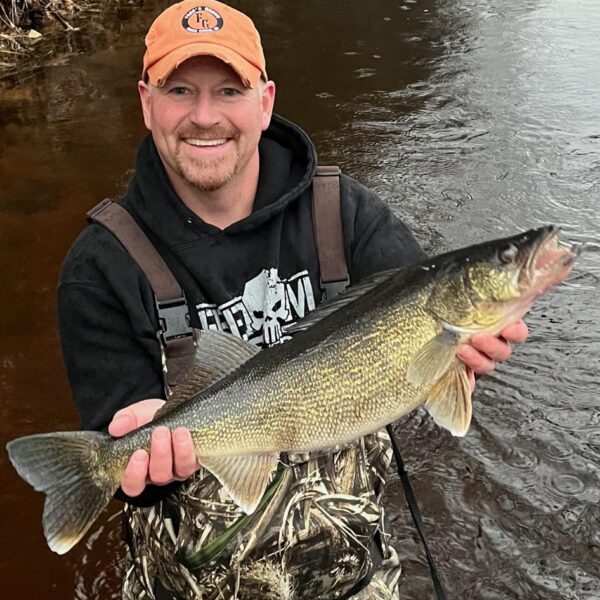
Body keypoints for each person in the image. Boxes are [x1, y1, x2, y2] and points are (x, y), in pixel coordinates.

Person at [57, 1, 528, 598]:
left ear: (266, 101)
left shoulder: (345, 215)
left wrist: (467, 352)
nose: (205, 117)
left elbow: (426, 329)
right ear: (147, 102)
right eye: (180, 90)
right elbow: (129, 461)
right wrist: (131, 463)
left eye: (230, 90)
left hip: (354, 575)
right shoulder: (100, 267)